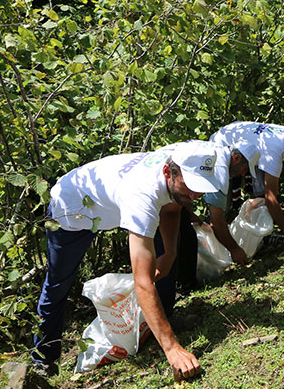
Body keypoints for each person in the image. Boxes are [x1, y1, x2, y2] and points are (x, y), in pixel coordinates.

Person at [33, 140, 221, 381]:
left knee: (163, 253)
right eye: (190, 186)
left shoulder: (177, 161)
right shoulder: (142, 195)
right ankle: (43, 358)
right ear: (168, 172)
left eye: (201, 187)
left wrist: (171, 253)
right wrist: (173, 349)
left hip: (103, 203)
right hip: (70, 212)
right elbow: (142, 282)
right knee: (57, 285)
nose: (195, 195)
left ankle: (164, 321)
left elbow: (172, 208)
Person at [154, 141, 260, 312]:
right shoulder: (218, 168)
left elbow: (182, 192)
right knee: (170, 247)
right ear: (237, 157)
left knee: (183, 237)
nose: (243, 173)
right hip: (153, 199)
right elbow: (216, 221)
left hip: (165, 195)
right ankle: (166, 304)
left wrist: (188, 211)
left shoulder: (212, 155)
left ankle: (179, 289)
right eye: (245, 168)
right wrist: (234, 250)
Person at [209, 122, 284, 248]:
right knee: (221, 204)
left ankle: (261, 236)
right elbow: (271, 199)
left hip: (246, 150)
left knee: (261, 195)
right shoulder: (273, 152)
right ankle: (216, 244)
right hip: (224, 146)